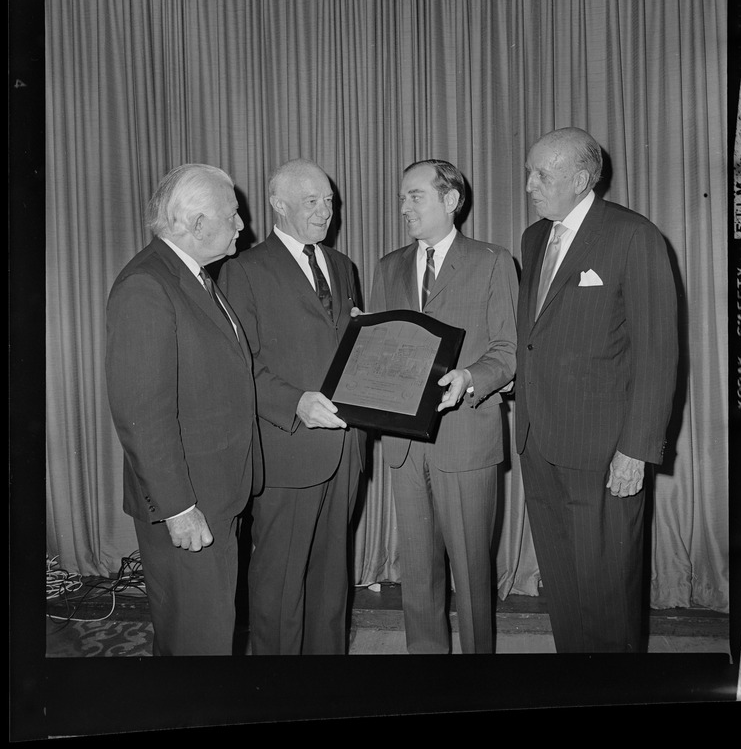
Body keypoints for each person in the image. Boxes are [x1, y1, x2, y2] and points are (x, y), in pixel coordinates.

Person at [514, 127, 678, 653]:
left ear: (581, 180)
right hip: (539, 443)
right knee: (563, 590)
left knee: (608, 595)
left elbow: (658, 353)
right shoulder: (535, 238)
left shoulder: (634, 236)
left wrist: (636, 448)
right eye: (529, 172)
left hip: (605, 450)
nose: (530, 185)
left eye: (542, 174)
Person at [105, 164, 263, 656]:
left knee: (205, 632)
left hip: (214, 493)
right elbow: (140, 411)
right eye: (233, 214)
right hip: (188, 503)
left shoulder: (193, 277)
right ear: (195, 224)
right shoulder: (147, 286)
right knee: (197, 642)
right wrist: (178, 508)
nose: (242, 225)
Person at [366, 159, 519, 654]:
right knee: (418, 576)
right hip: (404, 447)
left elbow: (509, 351)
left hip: (466, 438)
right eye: (402, 197)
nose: (404, 206)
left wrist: (472, 377)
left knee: (473, 576)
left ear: (451, 200)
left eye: (416, 196)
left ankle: (477, 684)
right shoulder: (388, 267)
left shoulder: (492, 261)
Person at [218, 158, 365, 655]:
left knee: (330, 586)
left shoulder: (343, 266)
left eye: (329, 201)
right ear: (278, 205)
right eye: (312, 202)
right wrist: (295, 403)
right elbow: (240, 369)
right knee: (279, 590)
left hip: (345, 451)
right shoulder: (244, 271)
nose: (326, 212)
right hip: (288, 452)